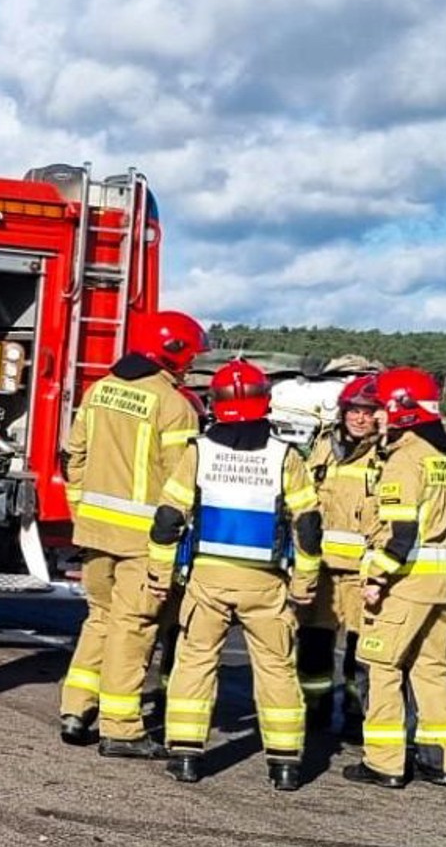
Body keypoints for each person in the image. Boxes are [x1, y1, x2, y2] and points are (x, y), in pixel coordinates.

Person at [147, 360, 323, 791]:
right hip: (265, 584)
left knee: (195, 662)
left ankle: (186, 755)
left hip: (208, 579)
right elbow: (308, 525)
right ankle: (285, 763)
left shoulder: (199, 451)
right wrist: (306, 582)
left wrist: (158, 572)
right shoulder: (285, 456)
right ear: (264, 402)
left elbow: (169, 518)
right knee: (277, 670)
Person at [58, 311, 206, 756]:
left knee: (99, 618)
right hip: (143, 539)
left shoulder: (99, 389)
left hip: (95, 530)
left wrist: (81, 512)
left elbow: (72, 458)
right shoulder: (175, 405)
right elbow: (182, 480)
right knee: (134, 626)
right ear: (175, 353)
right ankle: (121, 728)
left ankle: (75, 708)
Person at [346, 367, 446, 790]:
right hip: (438, 583)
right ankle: (441, 761)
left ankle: (385, 763)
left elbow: (402, 535)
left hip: (404, 583)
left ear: (403, 410)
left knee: (381, 667)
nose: (375, 416)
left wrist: (378, 577)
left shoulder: (406, 460)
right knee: (431, 670)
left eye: (380, 408)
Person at [297, 374, 380, 742]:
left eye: (368, 412)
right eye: (354, 411)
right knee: (314, 644)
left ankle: (355, 716)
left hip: (364, 572)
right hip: (324, 568)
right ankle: (313, 710)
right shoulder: (323, 448)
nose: (360, 419)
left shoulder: (386, 455)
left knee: (361, 651)